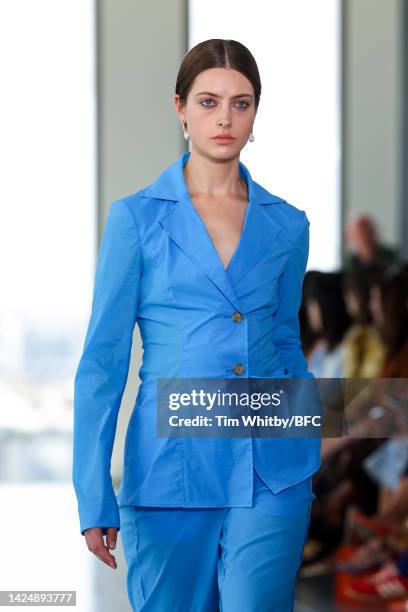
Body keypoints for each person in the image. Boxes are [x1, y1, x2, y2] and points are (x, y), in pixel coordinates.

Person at [72, 38, 322, 611]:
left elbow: (286, 341)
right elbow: (103, 364)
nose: (225, 118)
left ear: (256, 113)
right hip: (169, 470)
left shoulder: (287, 226)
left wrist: (314, 430)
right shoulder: (136, 220)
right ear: (180, 107)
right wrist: (93, 495)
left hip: (271, 469)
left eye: (241, 103)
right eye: (208, 102)